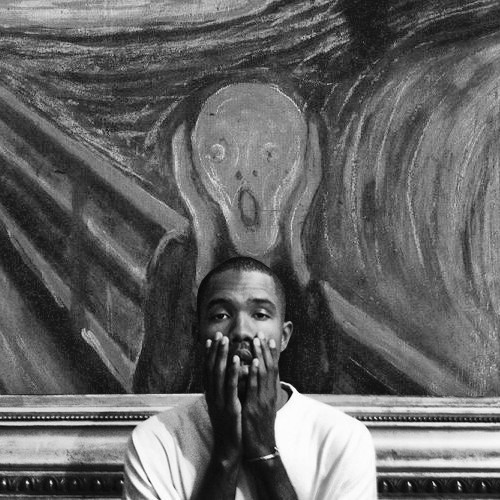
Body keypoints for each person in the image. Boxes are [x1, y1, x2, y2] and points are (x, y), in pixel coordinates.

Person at [123, 257, 377, 499]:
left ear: (284, 337)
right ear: (197, 334)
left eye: (260, 315)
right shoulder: (155, 441)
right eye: (221, 316)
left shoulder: (343, 439)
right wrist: (226, 452)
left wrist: (263, 449)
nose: (241, 331)